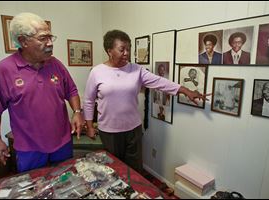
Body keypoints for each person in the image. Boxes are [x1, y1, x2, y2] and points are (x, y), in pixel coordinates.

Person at [83, 30, 210, 173]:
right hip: (109, 131)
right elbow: (88, 100)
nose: (126, 53)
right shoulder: (97, 72)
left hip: (133, 130)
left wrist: (187, 91)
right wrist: (89, 126)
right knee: (112, 170)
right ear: (109, 51)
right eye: (122, 49)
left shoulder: (136, 70)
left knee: (134, 169)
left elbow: (160, 82)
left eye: (128, 49)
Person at [0, 12, 84, 172]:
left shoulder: (55, 64)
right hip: (29, 149)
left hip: (62, 142)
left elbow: (72, 90)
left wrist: (76, 112)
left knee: (66, 183)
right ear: (23, 41)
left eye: (50, 37)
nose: (50, 43)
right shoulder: (3, 71)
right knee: (35, 188)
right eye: (43, 38)